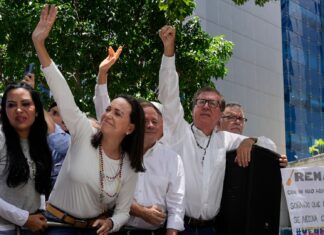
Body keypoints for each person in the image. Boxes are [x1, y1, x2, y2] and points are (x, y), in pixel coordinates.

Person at [32, 5, 145, 235]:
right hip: (56, 226)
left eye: (118, 113)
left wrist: (112, 223)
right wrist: (40, 45)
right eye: (109, 109)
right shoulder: (84, 131)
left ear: (131, 128)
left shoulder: (130, 166)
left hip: (94, 230)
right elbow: (62, 91)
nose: (108, 114)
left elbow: (123, 211)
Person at [158, 25, 259, 235]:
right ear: (193, 108)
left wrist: (250, 141)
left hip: (212, 229)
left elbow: (267, 143)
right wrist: (169, 51)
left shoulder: (226, 139)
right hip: (178, 227)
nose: (206, 106)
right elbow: (168, 95)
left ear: (220, 114)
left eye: (212, 104)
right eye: (201, 102)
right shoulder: (179, 132)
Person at [93, 49, 185, 235]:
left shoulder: (172, 159)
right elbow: (104, 107)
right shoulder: (118, 149)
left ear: (162, 127)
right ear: (132, 125)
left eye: (155, 121)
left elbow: (177, 206)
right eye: (145, 121)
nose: (149, 125)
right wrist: (102, 74)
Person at [0, 82, 52, 234]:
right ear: (4, 111)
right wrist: (24, 219)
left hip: (33, 229)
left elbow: (39, 183)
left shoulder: (40, 143)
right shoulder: (1, 138)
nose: (18, 110)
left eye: (25, 104)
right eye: (11, 105)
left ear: (36, 110)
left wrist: (41, 210)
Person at [22, 73, 71, 189]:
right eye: (49, 111)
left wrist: (32, 94)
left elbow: (53, 130)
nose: (48, 114)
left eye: (55, 113)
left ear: (65, 125)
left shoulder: (69, 144)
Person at [219, 102, 288, 167]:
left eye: (240, 118)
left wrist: (278, 162)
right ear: (218, 121)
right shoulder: (212, 140)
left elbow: (271, 146)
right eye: (231, 117)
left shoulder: (249, 143)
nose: (237, 121)